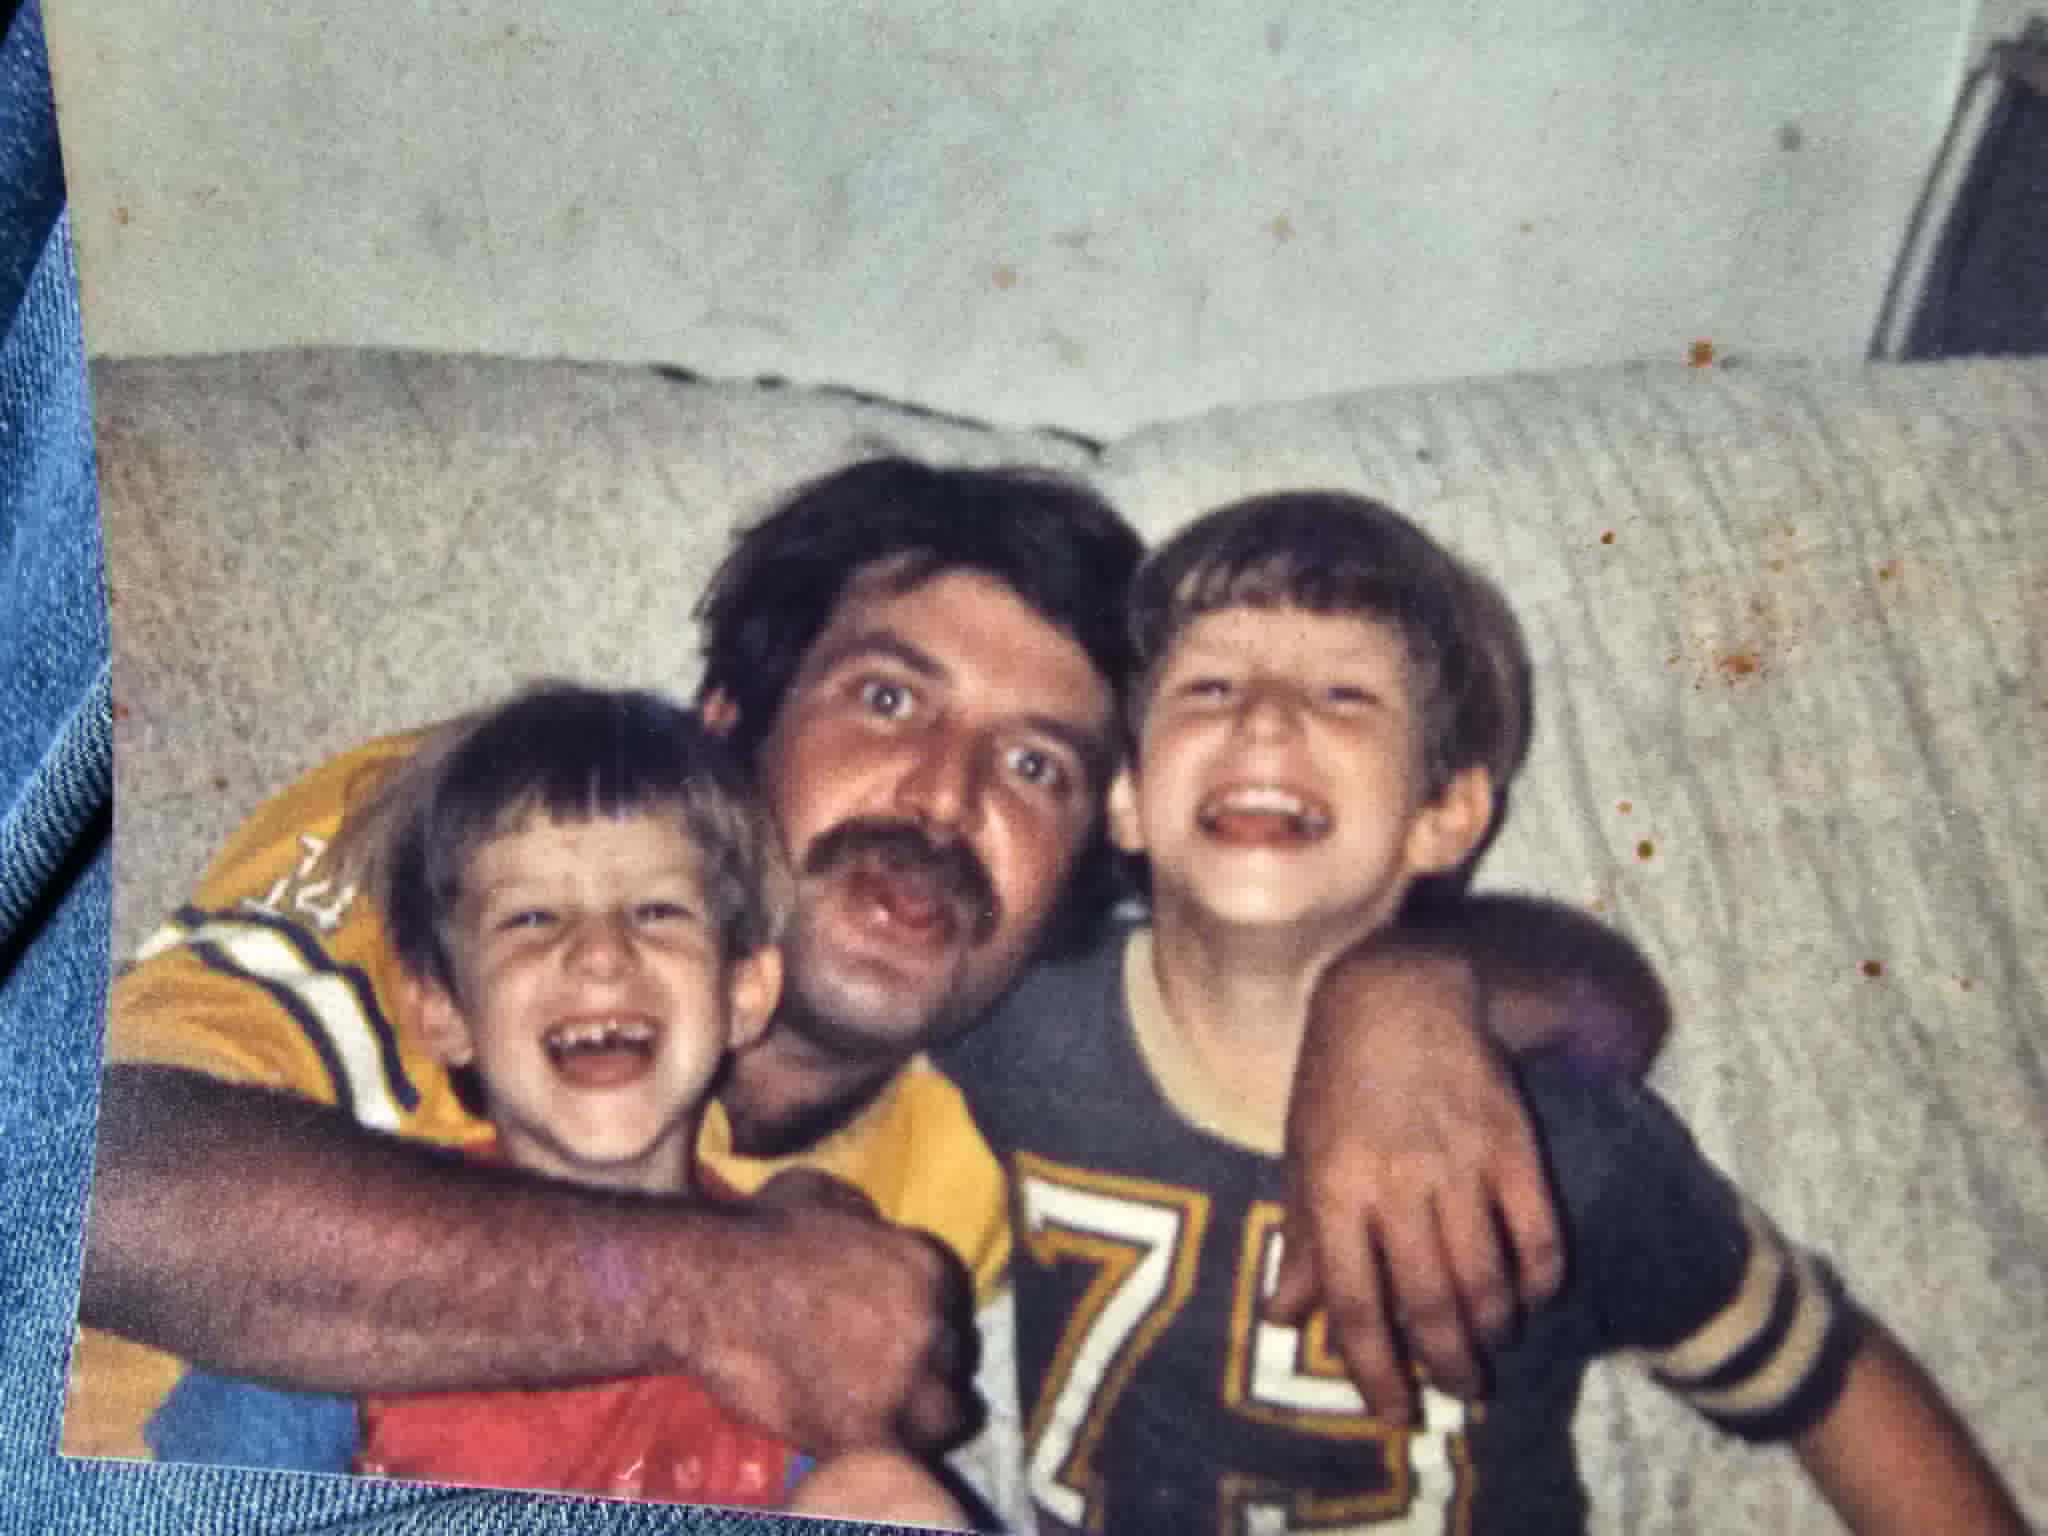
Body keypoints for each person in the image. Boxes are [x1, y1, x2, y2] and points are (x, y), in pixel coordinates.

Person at [67, 459, 1653, 1495]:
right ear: (723, 728)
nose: (946, 799)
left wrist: (1406, 993)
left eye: (1035, 764)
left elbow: (1608, 1003)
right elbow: (81, 1184)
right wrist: (723, 1286)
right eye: (889, 700)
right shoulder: (512, 849)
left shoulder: (1023, 1080)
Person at [943, 490, 2028, 1534]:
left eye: (1344, 696)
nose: (1266, 719)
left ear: (1445, 816)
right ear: (1126, 796)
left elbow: (1828, 1379)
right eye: (1211, 688)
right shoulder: (1019, 1021)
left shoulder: (1554, 1143)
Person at [144, 683, 967, 1524]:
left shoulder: (796, 1309)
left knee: (882, 1497)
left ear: (743, 992)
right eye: (533, 918)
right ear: (444, 1011)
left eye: (656, 911)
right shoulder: (356, 1274)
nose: (600, 954)